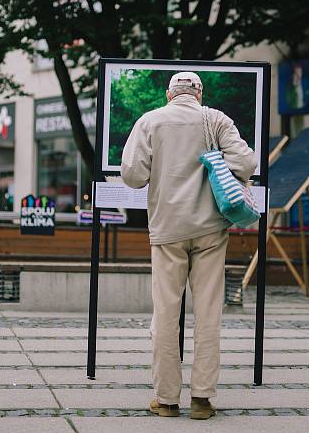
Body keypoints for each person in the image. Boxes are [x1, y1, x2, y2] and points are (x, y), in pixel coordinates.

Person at [121, 71, 257, 420]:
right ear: (200, 92)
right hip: (211, 228)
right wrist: (212, 161)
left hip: (167, 229)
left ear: (169, 95)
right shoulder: (216, 119)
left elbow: (133, 176)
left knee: (166, 314)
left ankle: (166, 400)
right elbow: (247, 163)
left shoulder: (150, 121)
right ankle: (202, 399)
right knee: (209, 313)